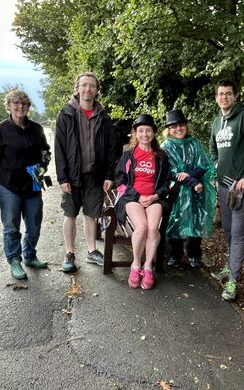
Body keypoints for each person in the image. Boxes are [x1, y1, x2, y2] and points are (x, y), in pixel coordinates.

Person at [0, 90, 51, 280]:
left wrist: (43, 165)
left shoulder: (36, 129)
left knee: (34, 224)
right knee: (11, 226)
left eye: (25, 104)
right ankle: (14, 260)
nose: (21, 107)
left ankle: (30, 255)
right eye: (16, 103)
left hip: (32, 185)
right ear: (9, 106)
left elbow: (45, 151)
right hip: (8, 186)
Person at [55, 72, 116, 273]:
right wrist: (62, 177)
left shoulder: (104, 117)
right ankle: (69, 254)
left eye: (92, 86)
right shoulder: (66, 114)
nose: (88, 89)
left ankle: (91, 251)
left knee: (91, 215)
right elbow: (60, 148)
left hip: (94, 175)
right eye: (84, 85)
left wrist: (108, 175)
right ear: (77, 88)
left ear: (97, 90)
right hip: (72, 176)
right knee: (70, 214)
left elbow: (110, 149)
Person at [209, 80, 244, 301]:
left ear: (235, 96)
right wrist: (214, 166)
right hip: (223, 186)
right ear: (216, 98)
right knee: (228, 230)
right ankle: (230, 268)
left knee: (239, 233)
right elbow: (212, 146)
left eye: (228, 94)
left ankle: (233, 281)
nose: (224, 97)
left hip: (241, 188)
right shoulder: (216, 122)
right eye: (220, 94)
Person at [114, 114, 171, 289]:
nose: (144, 134)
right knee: (142, 227)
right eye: (141, 131)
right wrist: (138, 197)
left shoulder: (161, 157)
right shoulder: (128, 155)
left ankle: (148, 267)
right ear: (135, 134)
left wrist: (155, 196)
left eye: (148, 130)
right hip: (133, 198)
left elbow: (167, 183)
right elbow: (121, 182)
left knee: (153, 228)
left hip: (154, 199)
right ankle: (136, 264)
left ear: (154, 133)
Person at [160, 109, 216, 269]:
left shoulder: (195, 144)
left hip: (196, 192)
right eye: (174, 126)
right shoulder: (166, 147)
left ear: (186, 126)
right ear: (169, 130)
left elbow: (204, 166)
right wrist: (192, 181)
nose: (178, 129)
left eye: (181, 125)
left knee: (196, 221)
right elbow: (171, 173)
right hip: (176, 192)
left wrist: (189, 176)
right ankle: (175, 254)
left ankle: (194, 254)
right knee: (175, 221)